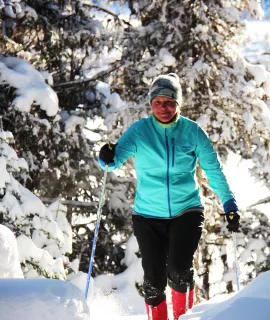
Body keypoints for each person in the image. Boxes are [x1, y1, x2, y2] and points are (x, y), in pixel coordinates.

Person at [98, 73, 240, 320]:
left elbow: (214, 171)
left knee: (179, 270)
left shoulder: (193, 132)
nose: (163, 108)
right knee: (153, 281)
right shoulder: (140, 131)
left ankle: (184, 317)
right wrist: (105, 157)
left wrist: (229, 203)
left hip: (187, 210)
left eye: (169, 102)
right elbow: (112, 163)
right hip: (147, 215)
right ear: (151, 104)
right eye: (158, 102)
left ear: (178, 104)